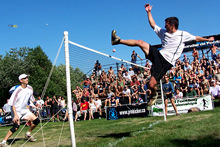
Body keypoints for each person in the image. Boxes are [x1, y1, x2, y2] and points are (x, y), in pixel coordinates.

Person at [111, 3, 214, 106]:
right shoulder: (164, 32)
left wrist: (207, 39)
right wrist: (149, 12)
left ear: (173, 26)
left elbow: (196, 38)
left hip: (165, 62)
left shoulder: (183, 35)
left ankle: (154, 95)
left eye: (167, 24)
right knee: (140, 42)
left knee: (151, 84)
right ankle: (118, 41)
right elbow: (153, 25)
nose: (164, 26)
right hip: (158, 54)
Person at [0, 74, 40, 147]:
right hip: (16, 111)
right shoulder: (17, 91)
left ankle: (28, 134)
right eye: (25, 78)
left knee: (37, 121)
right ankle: (3, 142)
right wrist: (15, 115)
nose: (27, 79)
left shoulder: (30, 88)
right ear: (21, 80)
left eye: (27, 77)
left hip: (25, 110)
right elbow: (12, 104)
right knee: (16, 127)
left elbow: (32, 98)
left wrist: (36, 103)